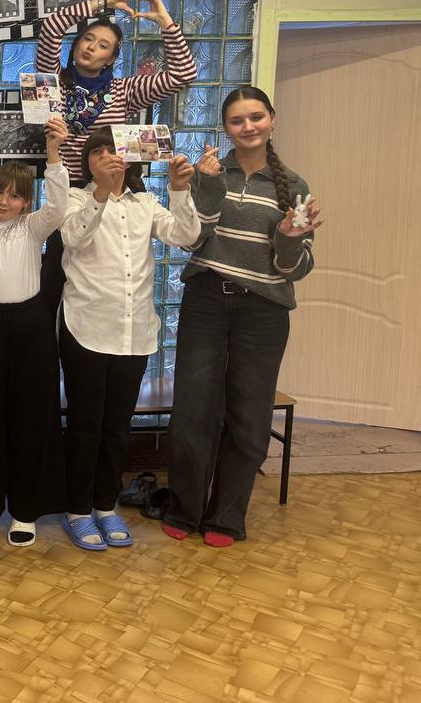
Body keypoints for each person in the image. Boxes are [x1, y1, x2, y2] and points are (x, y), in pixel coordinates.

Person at [164, 87, 321, 547]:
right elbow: (191, 240)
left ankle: (227, 517)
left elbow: (296, 268)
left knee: (250, 417)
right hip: (206, 300)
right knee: (192, 410)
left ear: (272, 119)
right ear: (226, 127)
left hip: (264, 310)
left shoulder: (294, 185)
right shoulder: (210, 172)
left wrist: (289, 237)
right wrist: (205, 186)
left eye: (256, 117)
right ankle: (184, 508)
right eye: (237, 120)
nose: (247, 126)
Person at [58, 127, 199, 551]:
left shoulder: (145, 203)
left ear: (130, 157)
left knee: (117, 427)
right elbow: (73, 237)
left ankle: (105, 506)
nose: (106, 156)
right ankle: (77, 509)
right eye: (97, 151)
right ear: (87, 161)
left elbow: (187, 236)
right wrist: (101, 192)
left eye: (112, 150)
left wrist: (179, 190)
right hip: (86, 327)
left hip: (134, 331)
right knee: (85, 426)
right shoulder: (75, 198)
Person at [36, 0, 197, 314]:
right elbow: (52, 27)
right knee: (54, 283)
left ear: (111, 58)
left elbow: (184, 74)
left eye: (103, 45)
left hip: (115, 190)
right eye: (87, 39)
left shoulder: (125, 90)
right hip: (68, 193)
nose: (91, 47)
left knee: (113, 274)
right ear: (75, 45)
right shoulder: (52, 82)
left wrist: (165, 22)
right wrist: (105, 3)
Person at [0, 116, 70, 547]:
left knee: (32, 418)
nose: (4, 201)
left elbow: (59, 207)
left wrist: (54, 156)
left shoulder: (32, 226)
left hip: (31, 326)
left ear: (26, 202)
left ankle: (26, 510)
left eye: (15, 196)